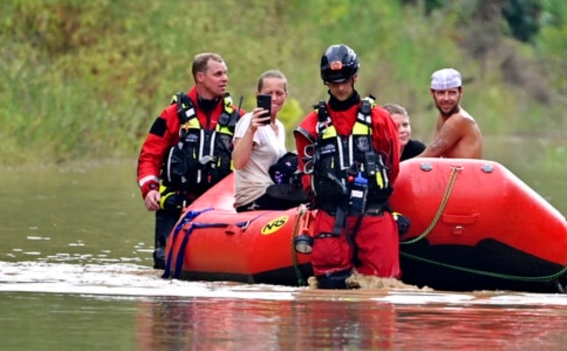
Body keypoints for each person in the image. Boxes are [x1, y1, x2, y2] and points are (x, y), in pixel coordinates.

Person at [294, 44, 403, 289]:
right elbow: (306, 176)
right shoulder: (311, 126)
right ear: (326, 82)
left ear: (355, 77)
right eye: (334, 82)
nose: (340, 87)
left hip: (373, 214)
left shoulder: (380, 119)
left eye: (344, 80)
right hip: (330, 218)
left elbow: (393, 167)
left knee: (381, 290)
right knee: (328, 293)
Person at [137, 52, 244, 269]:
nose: (225, 78)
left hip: (219, 209)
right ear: (200, 77)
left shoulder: (238, 117)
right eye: (218, 74)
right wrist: (149, 189)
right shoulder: (172, 115)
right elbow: (149, 155)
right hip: (176, 204)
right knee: (164, 262)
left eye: (225, 73)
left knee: (217, 266)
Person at [232, 70, 295, 212]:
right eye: (268, 94)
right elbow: (237, 162)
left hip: (272, 190)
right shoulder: (249, 120)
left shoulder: (279, 126)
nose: (274, 98)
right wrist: (251, 130)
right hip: (252, 195)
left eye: (279, 93)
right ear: (258, 95)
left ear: (286, 96)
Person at [418, 67, 484, 159]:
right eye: (441, 93)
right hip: (451, 173)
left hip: (465, 173)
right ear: (432, 93)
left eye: (452, 93)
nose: (446, 98)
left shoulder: (460, 119)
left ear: (460, 92)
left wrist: (400, 167)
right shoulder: (442, 118)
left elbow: (428, 156)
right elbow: (432, 159)